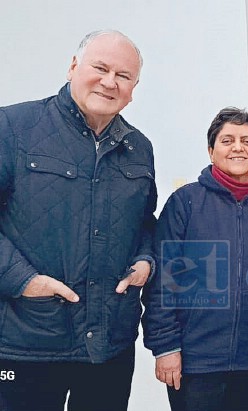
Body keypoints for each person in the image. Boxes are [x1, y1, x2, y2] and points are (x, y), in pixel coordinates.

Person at [0, 30, 156, 411]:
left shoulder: (139, 148)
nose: (109, 82)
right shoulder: (13, 127)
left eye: (123, 75)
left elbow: (144, 222)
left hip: (108, 344)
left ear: (134, 87)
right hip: (26, 342)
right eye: (100, 68)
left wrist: (146, 261)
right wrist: (23, 281)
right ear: (73, 67)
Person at [142, 107, 248, 411]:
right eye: (227, 140)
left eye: (247, 141)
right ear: (211, 151)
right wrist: (165, 346)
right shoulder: (186, 203)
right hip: (196, 361)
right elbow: (161, 283)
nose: (238, 147)